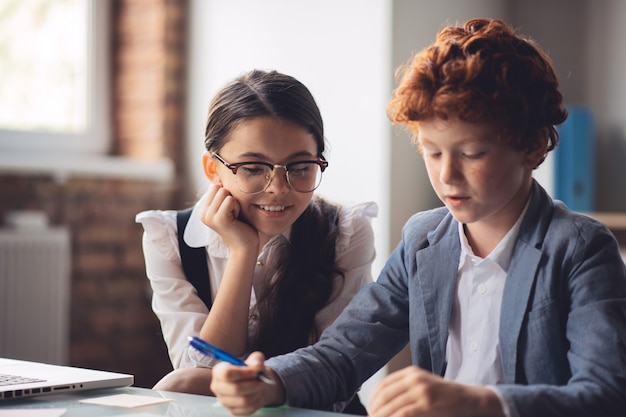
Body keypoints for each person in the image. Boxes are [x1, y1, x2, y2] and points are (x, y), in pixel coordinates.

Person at [209, 18, 626, 417]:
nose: (446, 176)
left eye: (472, 153)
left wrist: (481, 404)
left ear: (534, 146)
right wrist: (268, 381)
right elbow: (342, 355)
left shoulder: (580, 247)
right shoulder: (424, 239)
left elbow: (606, 396)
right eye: (432, 151)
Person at [135, 69, 377, 414]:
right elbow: (201, 375)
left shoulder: (345, 231)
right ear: (212, 168)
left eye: (300, 167)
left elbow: (335, 370)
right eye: (253, 168)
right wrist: (243, 252)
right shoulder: (169, 238)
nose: (278, 188)